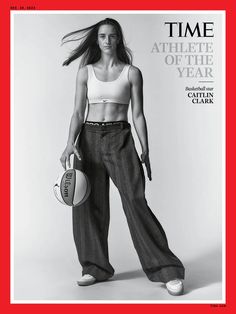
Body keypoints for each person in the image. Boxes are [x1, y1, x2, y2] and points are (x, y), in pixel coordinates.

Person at [60, 17, 185, 296]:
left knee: (135, 200)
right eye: (103, 36)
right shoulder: (85, 72)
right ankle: (95, 268)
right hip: (88, 139)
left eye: (113, 36)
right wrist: (69, 143)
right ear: (97, 40)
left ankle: (167, 270)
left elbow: (137, 114)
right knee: (86, 204)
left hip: (120, 137)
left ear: (119, 39)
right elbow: (78, 113)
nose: (107, 40)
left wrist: (145, 149)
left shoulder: (132, 73)